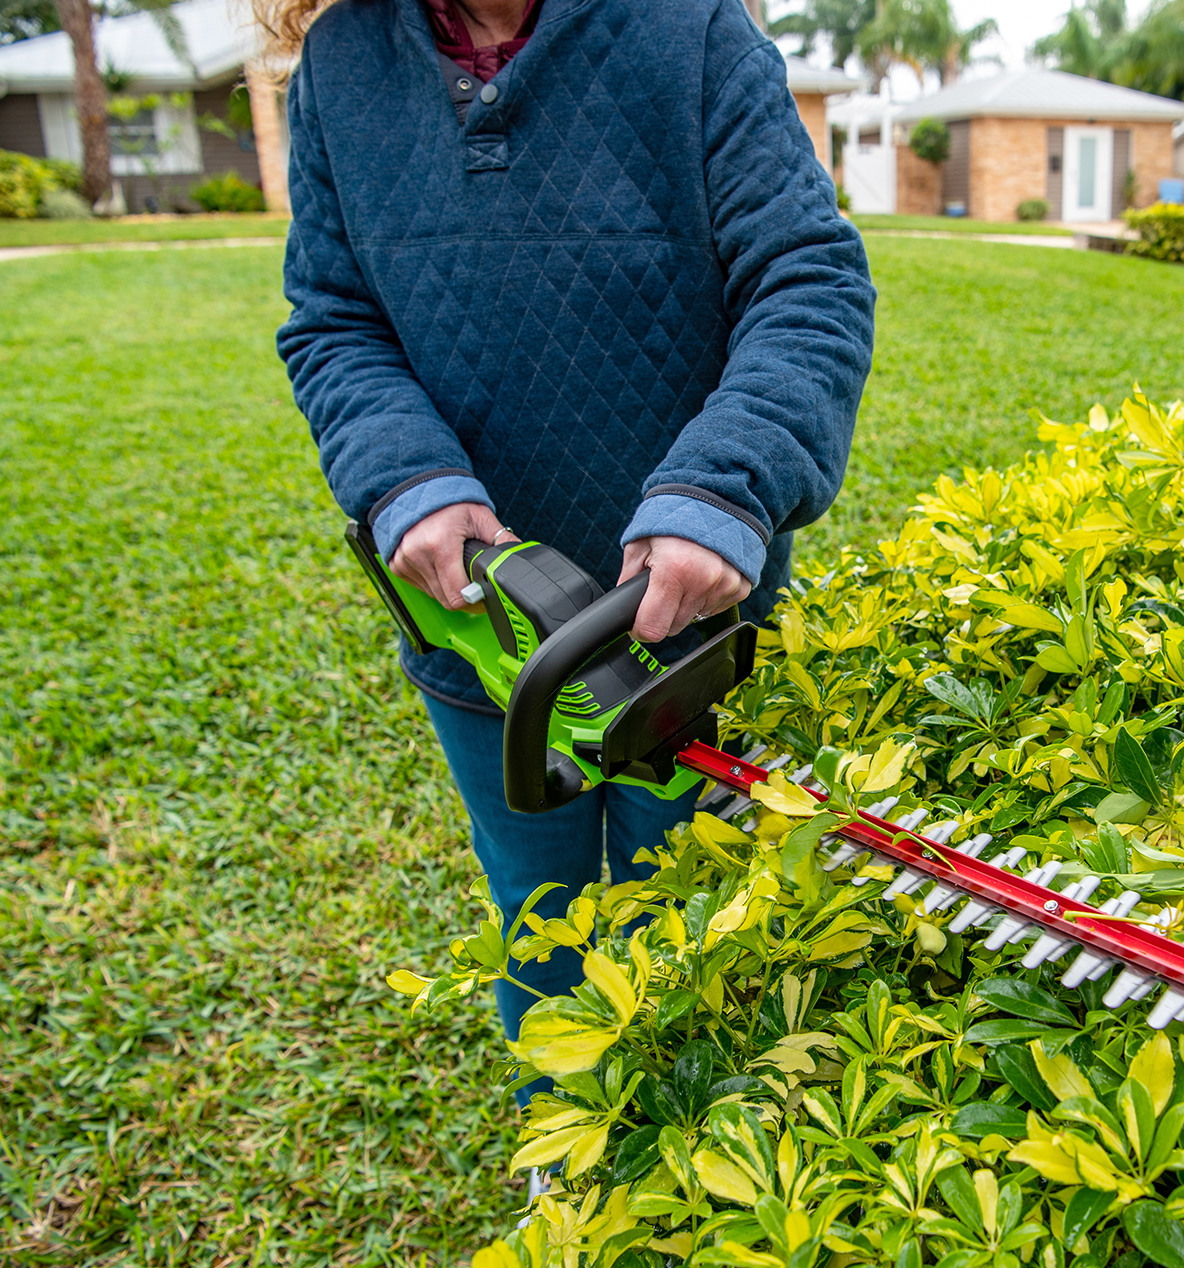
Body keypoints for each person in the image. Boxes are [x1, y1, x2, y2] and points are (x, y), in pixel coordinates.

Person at [267, 0, 876, 1104]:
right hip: (484, 643)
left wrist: (719, 487)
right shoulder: (342, 64)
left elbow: (809, 280)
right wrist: (409, 479)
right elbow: (334, 318)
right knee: (539, 923)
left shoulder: (689, 34)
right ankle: (569, 1155)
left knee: (688, 924)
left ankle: (688, 1174)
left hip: (687, 636)